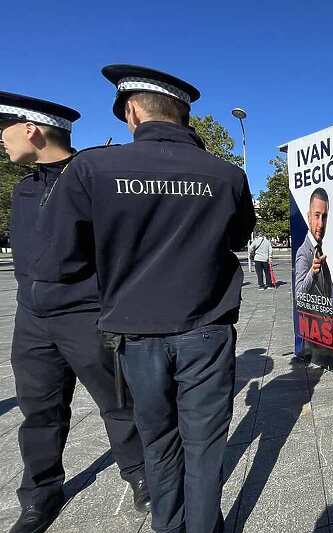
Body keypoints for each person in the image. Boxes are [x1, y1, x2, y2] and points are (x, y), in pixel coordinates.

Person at [33, 65, 256, 533]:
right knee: (204, 448)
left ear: (132, 111)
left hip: (135, 336)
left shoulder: (92, 168)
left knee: (158, 445)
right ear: (184, 115)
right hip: (207, 332)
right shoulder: (227, 174)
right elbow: (238, 237)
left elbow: (60, 263)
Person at [0, 91, 149, 533]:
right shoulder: (23, 189)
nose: (1, 142)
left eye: (4, 131)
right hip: (32, 317)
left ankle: (139, 474)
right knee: (39, 410)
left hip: (86, 312)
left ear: (32, 129)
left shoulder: (91, 178)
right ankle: (40, 495)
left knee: (118, 402)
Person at [293, 187, 333, 369]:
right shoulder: (304, 253)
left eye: (324, 217)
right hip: (316, 344)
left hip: (327, 337)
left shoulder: (319, 251)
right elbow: (299, 297)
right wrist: (312, 272)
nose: (320, 223)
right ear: (308, 216)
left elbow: (324, 295)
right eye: (317, 215)